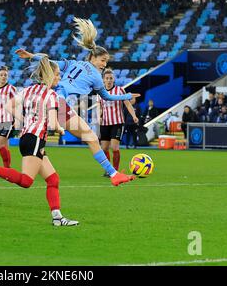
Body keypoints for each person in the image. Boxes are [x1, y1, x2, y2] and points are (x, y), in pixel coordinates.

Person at [15, 17, 140, 186]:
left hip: (50, 100)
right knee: (91, 138)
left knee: (59, 136)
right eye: (103, 60)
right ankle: (113, 174)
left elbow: (49, 63)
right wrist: (126, 96)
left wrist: (30, 55)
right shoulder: (96, 76)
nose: (104, 64)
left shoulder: (72, 63)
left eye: (106, 62)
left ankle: (38, 151)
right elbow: (107, 97)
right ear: (93, 58)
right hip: (59, 103)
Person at [0, 55, 78, 226]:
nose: (59, 77)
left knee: (53, 179)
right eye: (57, 74)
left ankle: (57, 217)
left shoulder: (28, 90)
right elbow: (51, 123)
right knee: (26, 181)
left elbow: (9, 106)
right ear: (49, 75)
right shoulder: (51, 95)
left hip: (28, 137)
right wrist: (60, 128)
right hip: (35, 139)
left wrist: (23, 121)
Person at [98, 68, 138, 176]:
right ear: (103, 80)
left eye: (111, 78)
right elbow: (100, 107)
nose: (109, 80)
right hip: (105, 123)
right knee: (104, 148)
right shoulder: (100, 92)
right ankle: (108, 169)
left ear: (114, 79)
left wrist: (134, 115)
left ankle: (115, 171)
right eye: (107, 78)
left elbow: (127, 104)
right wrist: (99, 117)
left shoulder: (120, 90)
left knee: (114, 147)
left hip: (117, 122)